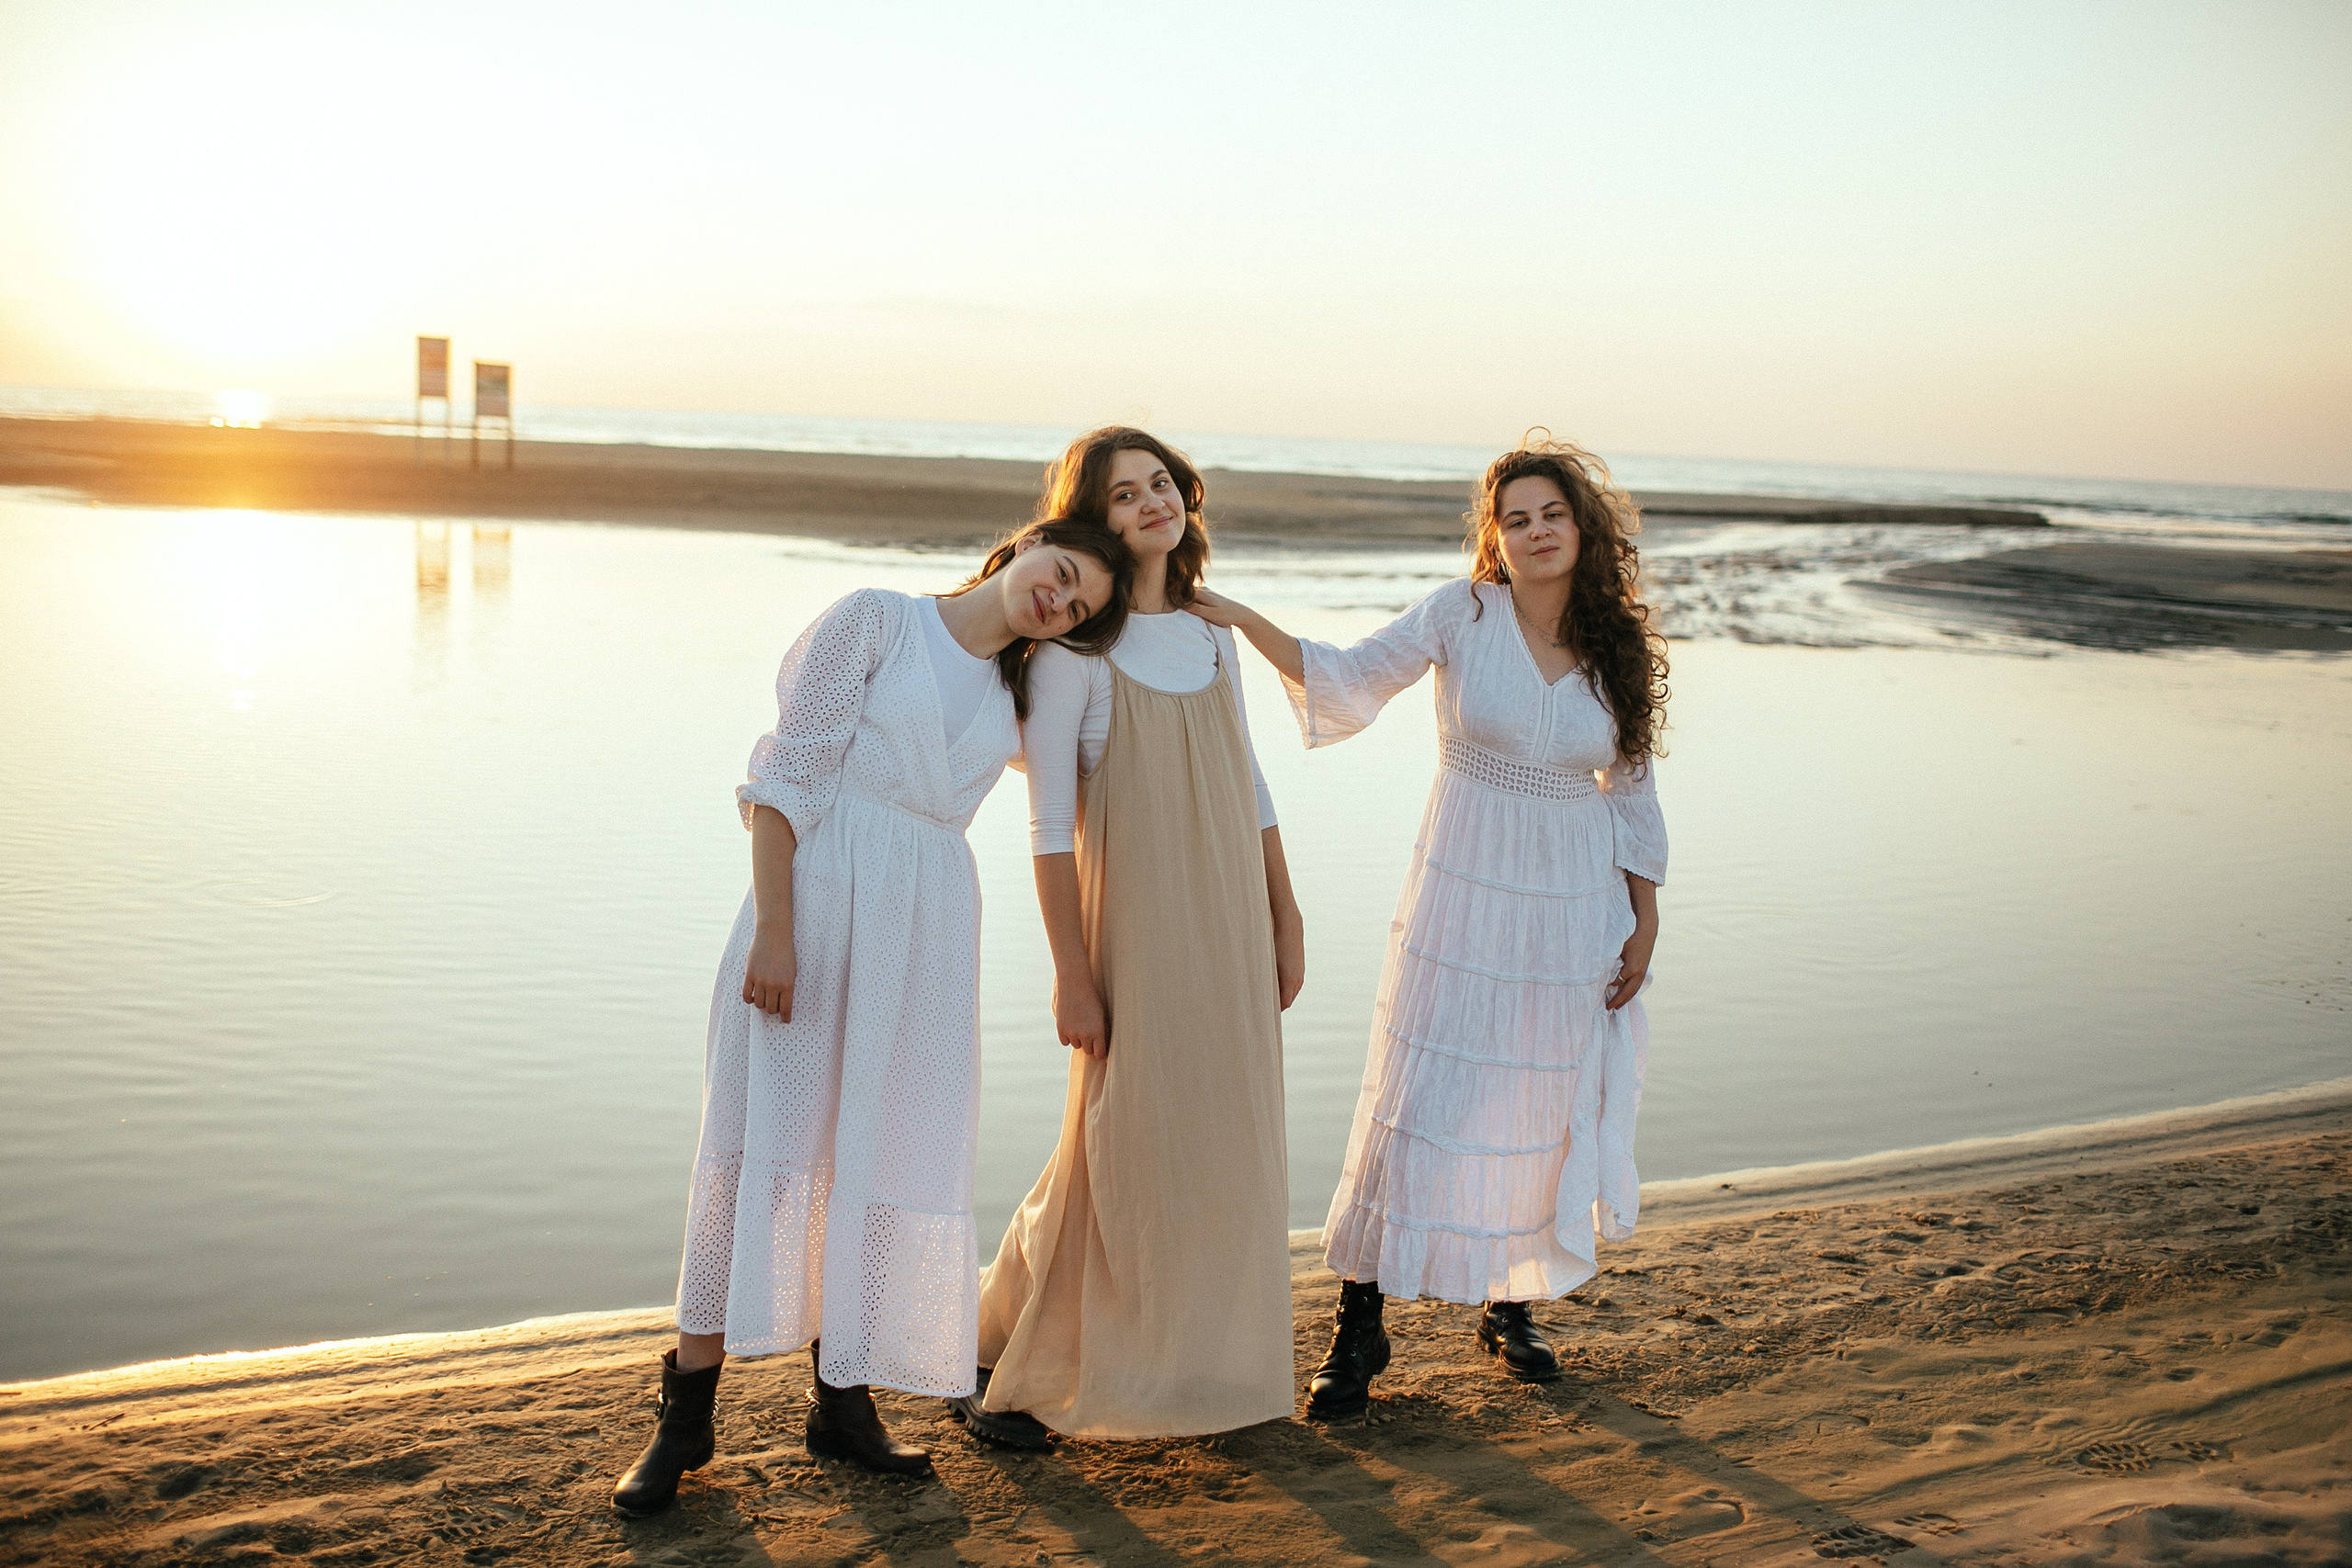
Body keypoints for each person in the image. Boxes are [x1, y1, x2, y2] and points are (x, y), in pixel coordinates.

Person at [613, 518, 1133, 1513]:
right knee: (755, 1153)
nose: (1054, 603)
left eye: (1077, 609)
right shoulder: (876, 623)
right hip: (812, 910)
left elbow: (1111, 767)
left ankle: (841, 1406)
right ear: (1020, 546)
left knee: (886, 1156)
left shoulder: (1025, 697)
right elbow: (785, 780)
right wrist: (775, 929)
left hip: (925, 941)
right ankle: (683, 1423)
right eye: (1058, 576)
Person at [1190, 434, 1668, 1418]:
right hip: (1463, 887)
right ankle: (1357, 1321)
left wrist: (1643, 918)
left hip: (1573, 900)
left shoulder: (1616, 645)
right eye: (1516, 519)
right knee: (1422, 1091)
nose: (1536, 532)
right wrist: (1239, 618)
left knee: (1534, 1099)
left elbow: (1630, 791)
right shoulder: (1464, 613)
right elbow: (1348, 675)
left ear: (1583, 527)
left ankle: (1511, 1300)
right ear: (1495, 537)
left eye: (1552, 514)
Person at [950, 426, 1305, 1446]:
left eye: (1161, 485)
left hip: (1230, 910)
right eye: (1122, 496)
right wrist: (1071, 973)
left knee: (1217, 1135)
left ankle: (1191, 1353)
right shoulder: (1072, 657)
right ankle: (1020, 1359)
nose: (1151, 503)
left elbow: (1249, 784)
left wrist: (1283, 913)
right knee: (1119, 1140)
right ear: (1090, 522)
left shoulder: (1210, 637)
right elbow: (1047, 828)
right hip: (1133, 928)